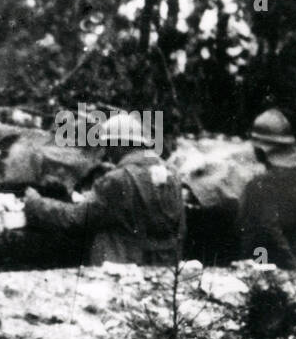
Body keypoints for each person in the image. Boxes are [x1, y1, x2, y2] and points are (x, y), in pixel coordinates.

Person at [24, 113, 185, 265]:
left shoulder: (118, 179)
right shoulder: (172, 173)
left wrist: (36, 204)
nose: (107, 152)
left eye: (108, 145)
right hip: (165, 263)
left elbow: (77, 219)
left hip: (124, 263)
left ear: (119, 145)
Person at [237, 108, 296, 273]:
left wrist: (292, 268)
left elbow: (264, 234)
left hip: (269, 267)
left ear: (261, 149)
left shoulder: (259, 185)